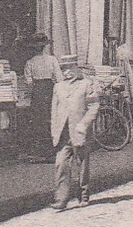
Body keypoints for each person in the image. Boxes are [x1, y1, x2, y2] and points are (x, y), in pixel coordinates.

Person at [50, 60, 100, 210]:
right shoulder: (58, 87)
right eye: (64, 69)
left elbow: (93, 107)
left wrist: (84, 124)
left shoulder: (86, 84)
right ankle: (61, 199)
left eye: (70, 68)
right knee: (61, 163)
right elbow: (54, 110)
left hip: (79, 131)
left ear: (76, 68)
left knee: (82, 164)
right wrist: (54, 130)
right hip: (63, 133)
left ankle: (83, 195)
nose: (67, 72)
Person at [22, 34, 60, 158]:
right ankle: (53, 148)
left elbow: (28, 81)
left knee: (38, 120)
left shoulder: (30, 62)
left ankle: (40, 150)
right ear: (44, 47)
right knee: (51, 117)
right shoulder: (52, 60)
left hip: (37, 91)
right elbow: (59, 78)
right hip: (49, 89)